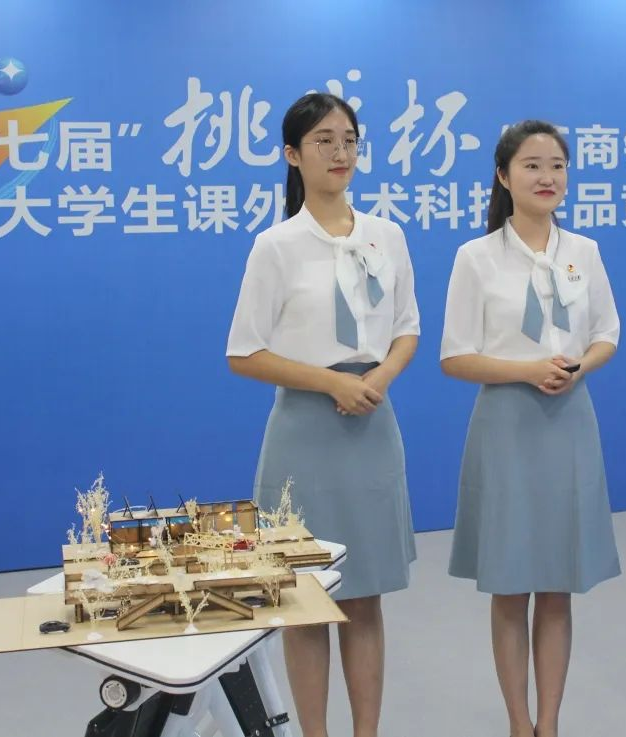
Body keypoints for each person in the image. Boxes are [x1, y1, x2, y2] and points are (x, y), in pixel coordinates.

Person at [226, 92, 420, 737]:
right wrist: (330, 382)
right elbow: (244, 352)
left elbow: (407, 329)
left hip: (371, 425)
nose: (340, 153)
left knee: (364, 598)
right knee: (306, 602)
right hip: (304, 436)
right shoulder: (276, 246)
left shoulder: (386, 235)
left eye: (349, 141)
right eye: (323, 142)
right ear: (292, 155)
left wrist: (377, 378)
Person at [440, 120, 621, 737]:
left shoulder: (584, 252)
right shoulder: (476, 257)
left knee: (558, 583)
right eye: (532, 166)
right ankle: (519, 723)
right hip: (507, 427)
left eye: (557, 166)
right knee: (512, 585)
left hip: (569, 421)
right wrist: (526, 370)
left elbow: (607, 333)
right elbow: (455, 356)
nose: (547, 177)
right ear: (503, 175)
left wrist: (578, 369)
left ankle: (550, 723)